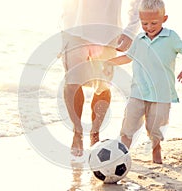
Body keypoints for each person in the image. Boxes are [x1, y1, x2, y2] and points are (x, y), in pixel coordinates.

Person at [103, 0, 182, 164]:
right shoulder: (139, 38)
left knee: (155, 128)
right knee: (128, 125)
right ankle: (121, 155)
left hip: (162, 95)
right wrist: (110, 61)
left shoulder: (171, 37)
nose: (149, 27)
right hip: (138, 92)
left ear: (164, 19)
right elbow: (129, 57)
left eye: (154, 23)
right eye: (144, 23)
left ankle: (156, 147)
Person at [60, 0, 142, 157]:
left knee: (103, 86)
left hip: (108, 31)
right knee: (72, 83)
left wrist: (131, 31)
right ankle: (77, 132)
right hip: (73, 27)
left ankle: (95, 133)